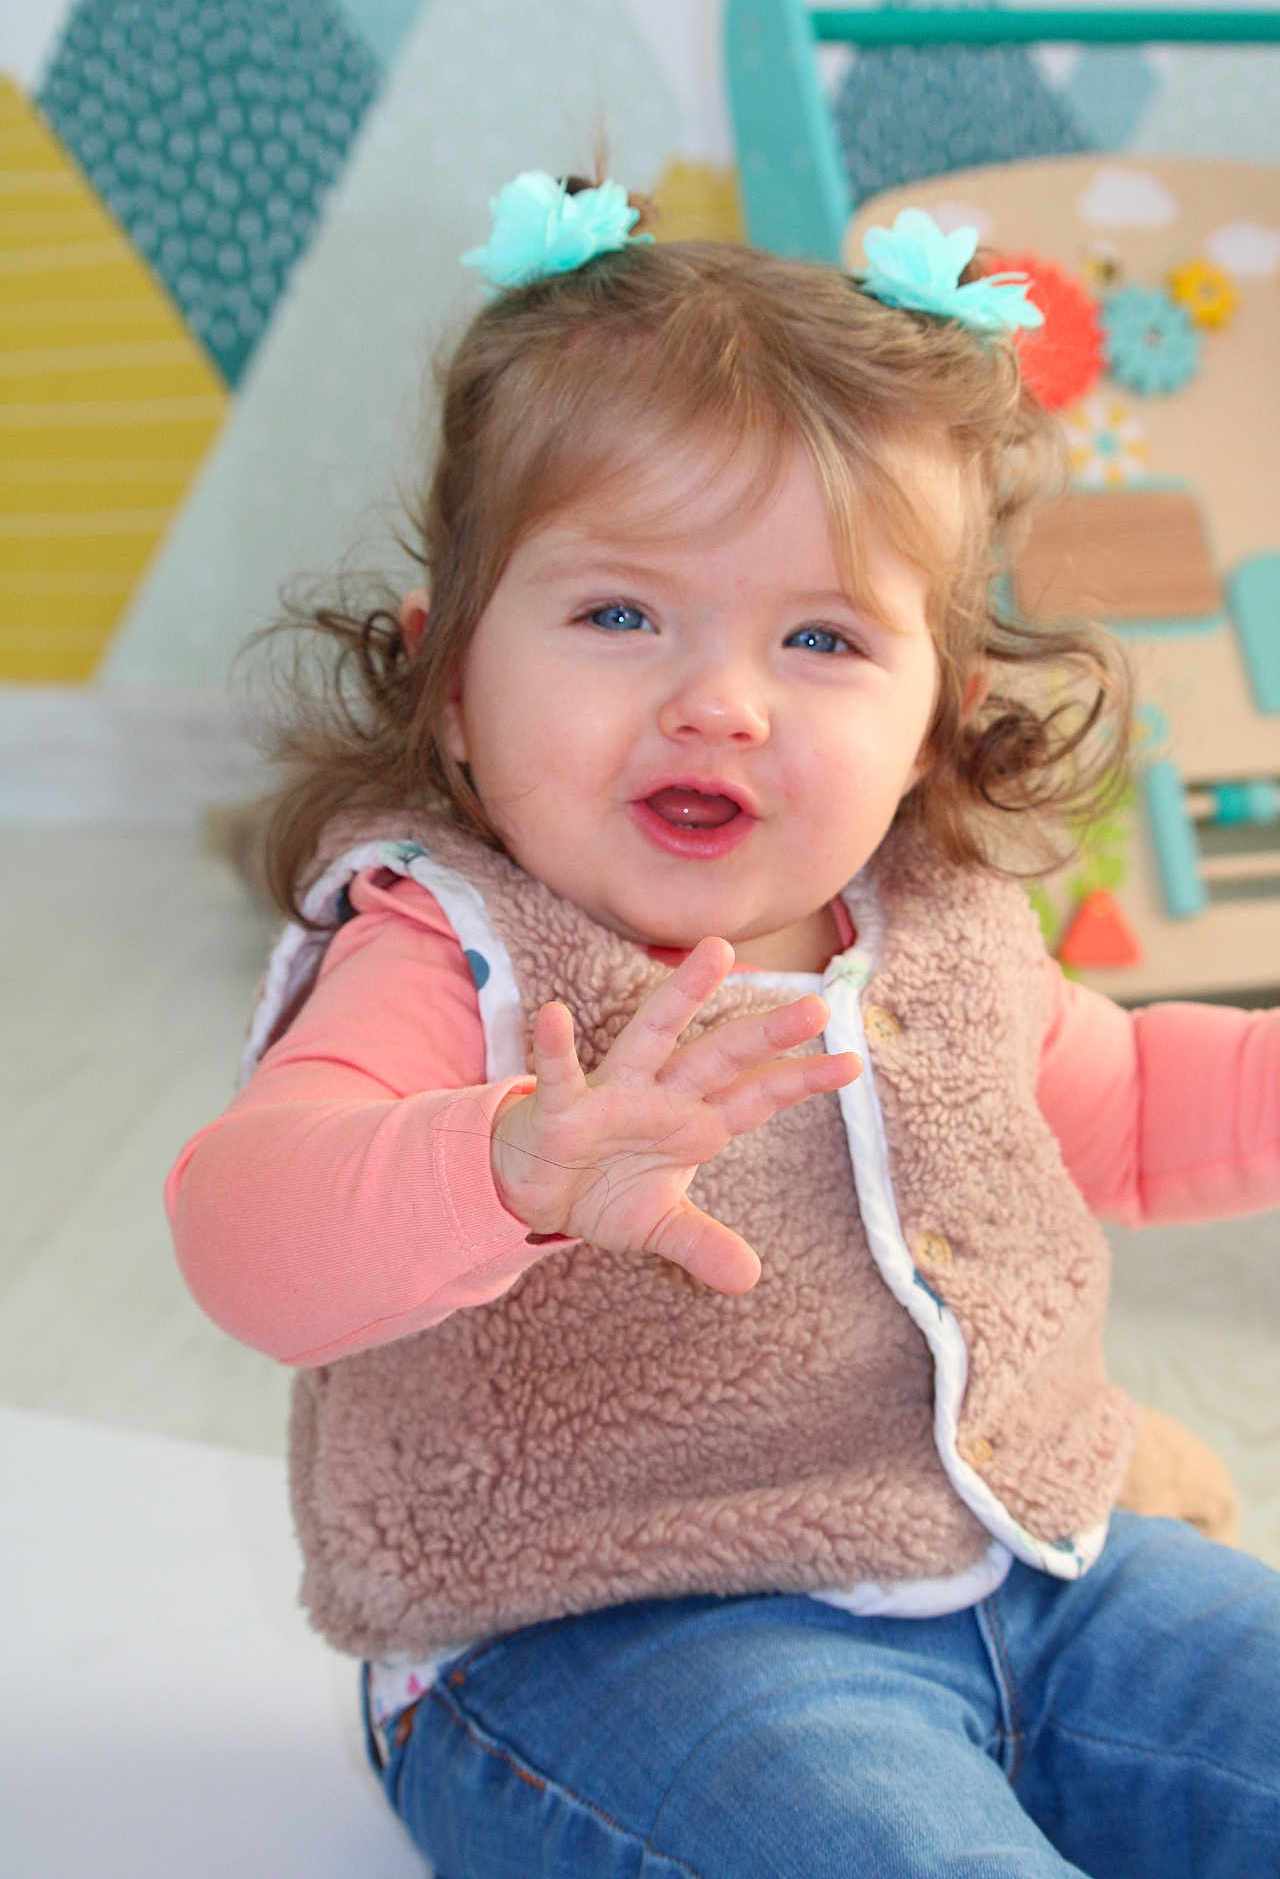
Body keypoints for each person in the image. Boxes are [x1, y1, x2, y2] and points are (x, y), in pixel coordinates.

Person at [167, 172, 1280, 1877]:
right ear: (452, 684)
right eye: (620, 614)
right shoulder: (449, 947)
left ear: (936, 723)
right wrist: (504, 1167)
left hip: (1044, 1567)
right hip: (617, 1639)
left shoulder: (944, 929)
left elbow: (1118, 1103)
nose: (719, 699)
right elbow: (247, 1228)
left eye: (823, 637)